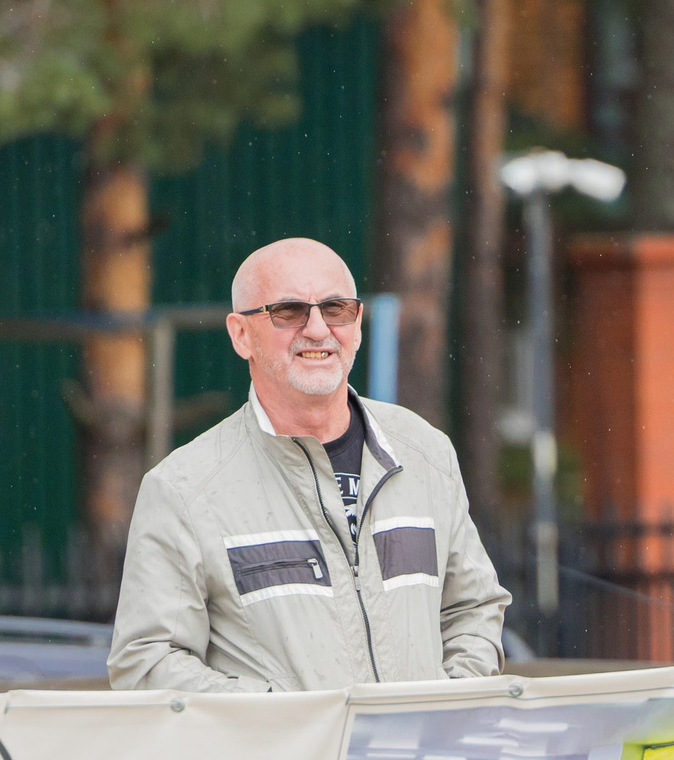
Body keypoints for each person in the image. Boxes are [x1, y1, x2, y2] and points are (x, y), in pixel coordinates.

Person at [109, 237, 510, 692]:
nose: (318, 329)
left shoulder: (426, 454)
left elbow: (472, 609)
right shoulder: (184, 489)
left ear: (357, 325)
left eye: (336, 308)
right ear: (241, 334)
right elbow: (147, 660)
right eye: (289, 311)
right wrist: (285, 722)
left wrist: (446, 709)